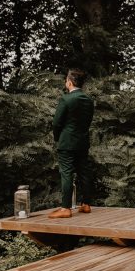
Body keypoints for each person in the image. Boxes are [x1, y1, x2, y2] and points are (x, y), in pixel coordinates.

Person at [49, 68, 95, 219]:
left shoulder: (66, 99)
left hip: (67, 142)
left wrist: (57, 138)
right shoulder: (89, 100)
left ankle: (65, 208)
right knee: (83, 171)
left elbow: (56, 123)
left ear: (69, 82)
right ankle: (86, 204)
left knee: (67, 173)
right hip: (82, 141)